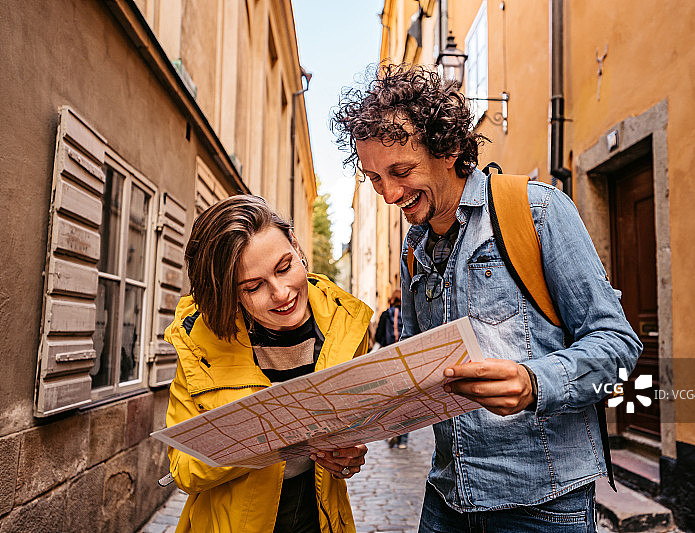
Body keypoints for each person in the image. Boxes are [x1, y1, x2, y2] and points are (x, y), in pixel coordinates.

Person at [332, 64, 642, 532]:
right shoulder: (413, 248)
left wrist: (534, 382)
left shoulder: (537, 210)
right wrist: (356, 431)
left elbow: (619, 346)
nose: (390, 193)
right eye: (375, 178)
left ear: (449, 149)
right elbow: (417, 377)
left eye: (401, 171)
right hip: (446, 499)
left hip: (543, 506)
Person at [164, 195, 372, 533]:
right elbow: (184, 468)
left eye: (285, 267)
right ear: (229, 293)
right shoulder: (200, 342)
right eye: (253, 286)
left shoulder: (344, 325)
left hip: (319, 519)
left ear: (295, 245)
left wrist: (346, 458)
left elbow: (349, 435)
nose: (281, 293)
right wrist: (272, 432)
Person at [375, 289, 408, 448]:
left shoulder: (386, 314)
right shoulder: (408, 313)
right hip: (406, 358)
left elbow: (378, 336)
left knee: (391, 398)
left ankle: (392, 432)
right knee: (407, 398)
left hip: (389, 358)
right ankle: (403, 440)